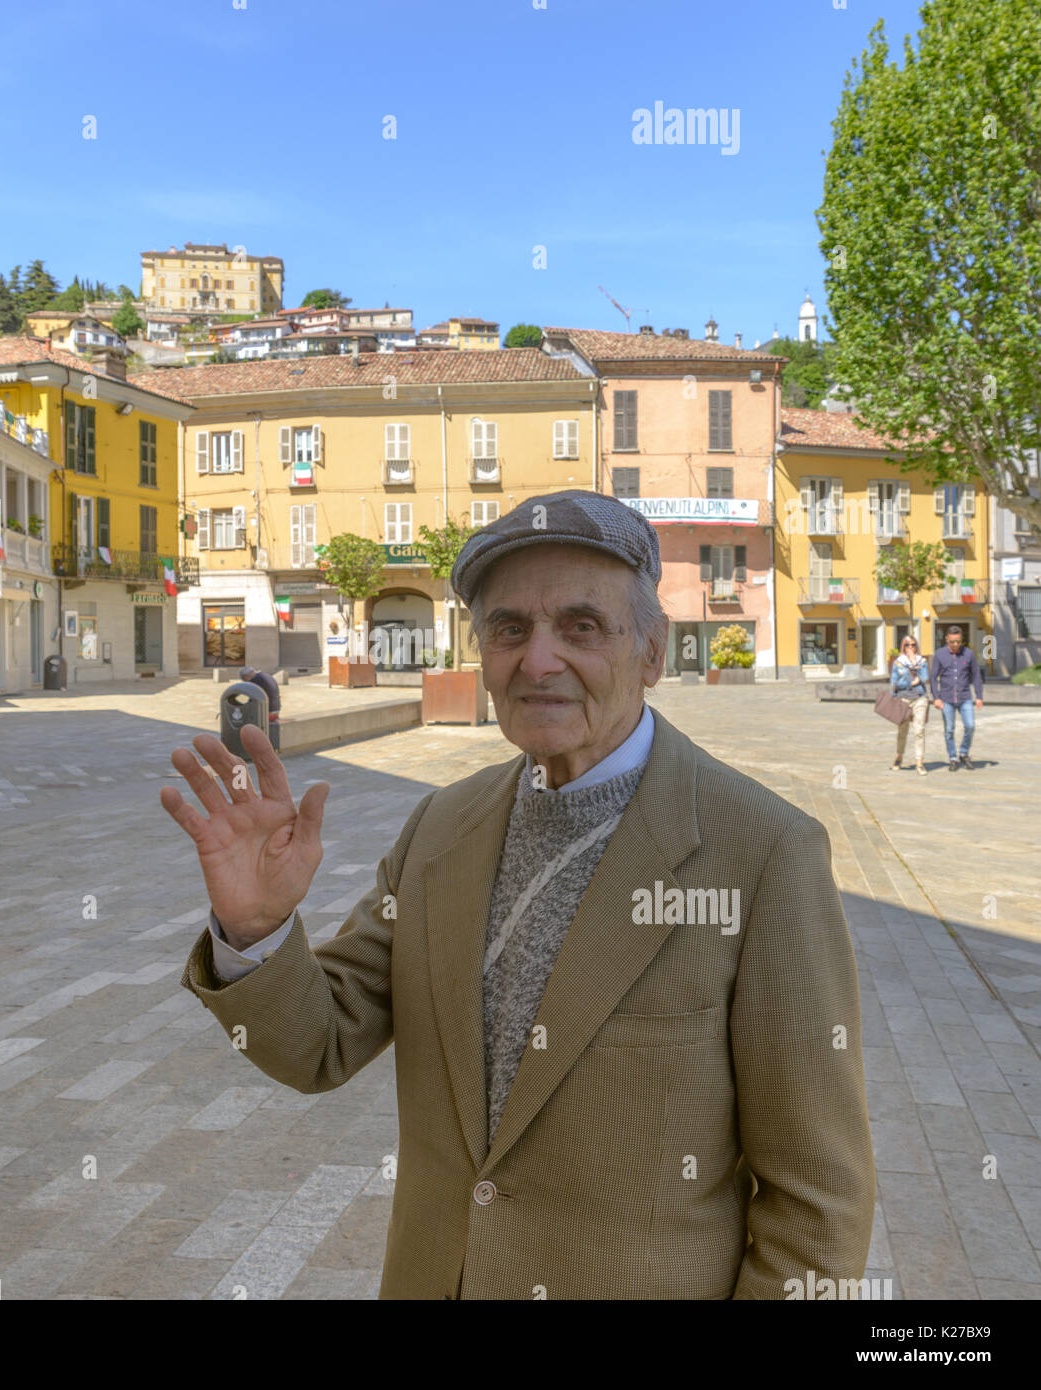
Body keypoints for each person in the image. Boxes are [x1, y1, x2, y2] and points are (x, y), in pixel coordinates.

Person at [162, 491, 874, 1300]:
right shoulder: (441, 827)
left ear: (651, 651)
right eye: (509, 629)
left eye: (581, 626)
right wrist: (255, 928)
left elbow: (820, 1200)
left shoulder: (765, 851)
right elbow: (317, 1046)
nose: (538, 662)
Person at [930, 625, 984, 771]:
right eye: (952, 642)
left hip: (965, 697)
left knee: (970, 726)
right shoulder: (940, 654)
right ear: (947, 639)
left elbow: (976, 675)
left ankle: (964, 753)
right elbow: (933, 677)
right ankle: (953, 757)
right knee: (949, 730)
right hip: (946, 699)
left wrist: (979, 696)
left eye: (958, 642)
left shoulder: (969, 654)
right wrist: (936, 697)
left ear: (961, 640)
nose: (955, 645)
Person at [889, 635, 930, 776]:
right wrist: (910, 683)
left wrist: (914, 663)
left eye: (913, 645)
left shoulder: (922, 661)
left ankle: (920, 762)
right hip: (903, 699)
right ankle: (899, 756)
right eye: (907, 645)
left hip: (920, 698)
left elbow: (924, 678)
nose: (910, 648)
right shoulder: (898, 662)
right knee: (902, 730)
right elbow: (894, 683)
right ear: (903, 647)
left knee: (919, 730)